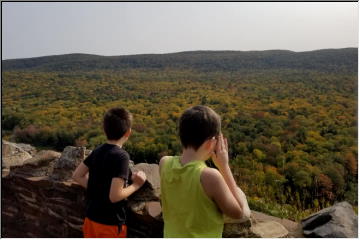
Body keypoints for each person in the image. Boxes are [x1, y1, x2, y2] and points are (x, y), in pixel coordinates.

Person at [160, 105, 251, 237]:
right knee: (240, 195)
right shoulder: (209, 176)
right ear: (211, 143)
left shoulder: (164, 162)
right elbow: (238, 213)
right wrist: (224, 166)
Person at [72, 107, 147, 238]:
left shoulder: (98, 150)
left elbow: (77, 175)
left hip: (91, 219)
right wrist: (137, 185)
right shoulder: (122, 156)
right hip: (110, 225)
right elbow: (115, 196)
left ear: (104, 130)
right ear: (128, 133)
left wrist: (97, 189)